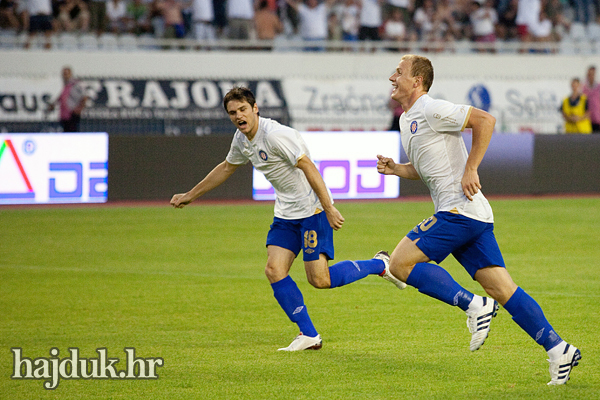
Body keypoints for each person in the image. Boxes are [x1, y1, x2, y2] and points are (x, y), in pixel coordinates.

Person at [376, 54, 581, 385]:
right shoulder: (407, 120)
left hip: (458, 211)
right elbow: (425, 169)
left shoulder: (430, 108)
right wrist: (397, 170)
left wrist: (471, 168)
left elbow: (485, 120)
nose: (391, 77)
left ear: (416, 82)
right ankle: (559, 349)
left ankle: (473, 305)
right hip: (472, 214)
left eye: (399, 72)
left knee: (398, 264)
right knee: (502, 288)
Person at [170, 86, 404, 351]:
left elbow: (309, 167)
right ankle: (309, 335)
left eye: (243, 110)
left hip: (312, 211)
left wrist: (328, 207)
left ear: (255, 108)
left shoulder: (276, 135)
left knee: (320, 280)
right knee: (273, 270)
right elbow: (226, 167)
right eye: (232, 113)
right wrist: (191, 194)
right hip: (285, 214)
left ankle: (379, 264)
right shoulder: (241, 139)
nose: (238, 116)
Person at [47, 66, 87, 132]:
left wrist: (79, 109)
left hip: (72, 114)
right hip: (64, 115)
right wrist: (53, 105)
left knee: (72, 132)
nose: (65, 76)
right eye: (63, 74)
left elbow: (84, 96)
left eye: (66, 74)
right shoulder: (66, 85)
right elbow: (61, 97)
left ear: (70, 74)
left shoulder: (76, 84)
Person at [582, 65, 600, 133]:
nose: (591, 76)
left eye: (592, 74)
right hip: (586, 120)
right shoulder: (583, 88)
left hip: (597, 120)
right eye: (589, 74)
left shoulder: (598, 87)